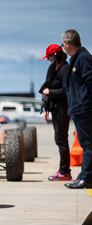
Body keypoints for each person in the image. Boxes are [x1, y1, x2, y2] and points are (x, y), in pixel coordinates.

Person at [61, 29, 92, 189]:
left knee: (87, 144)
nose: (63, 47)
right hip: (78, 108)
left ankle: (86, 177)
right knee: (87, 143)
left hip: (84, 108)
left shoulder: (83, 57)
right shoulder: (76, 58)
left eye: (63, 44)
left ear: (68, 43)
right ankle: (85, 175)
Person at [39, 43, 71, 181]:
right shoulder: (53, 68)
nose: (48, 60)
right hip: (55, 109)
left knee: (61, 139)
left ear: (56, 55)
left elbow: (66, 90)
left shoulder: (65, 69)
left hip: (63, 109)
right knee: (59, 139)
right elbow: (47, 86)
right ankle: (63, 170)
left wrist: (50, 92)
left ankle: (65, 171)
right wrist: (47, 107)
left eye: (49, 57)